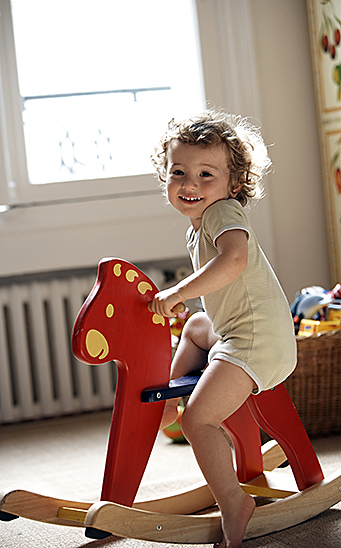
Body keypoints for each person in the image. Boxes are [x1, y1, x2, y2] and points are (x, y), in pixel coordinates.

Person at [149, 108, 297, 548]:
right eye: (179, 172)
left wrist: (176, 291)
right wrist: (185, 301)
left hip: (256, 342)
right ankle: (166, 399)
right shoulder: (199, 225)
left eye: (205, 174)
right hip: (238, 330)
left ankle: (234, 502)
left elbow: (233, 261)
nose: (190, 184)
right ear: (166, 177)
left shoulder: (223, 213)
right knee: (196, 325)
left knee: (197, 421)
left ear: (234, 184)